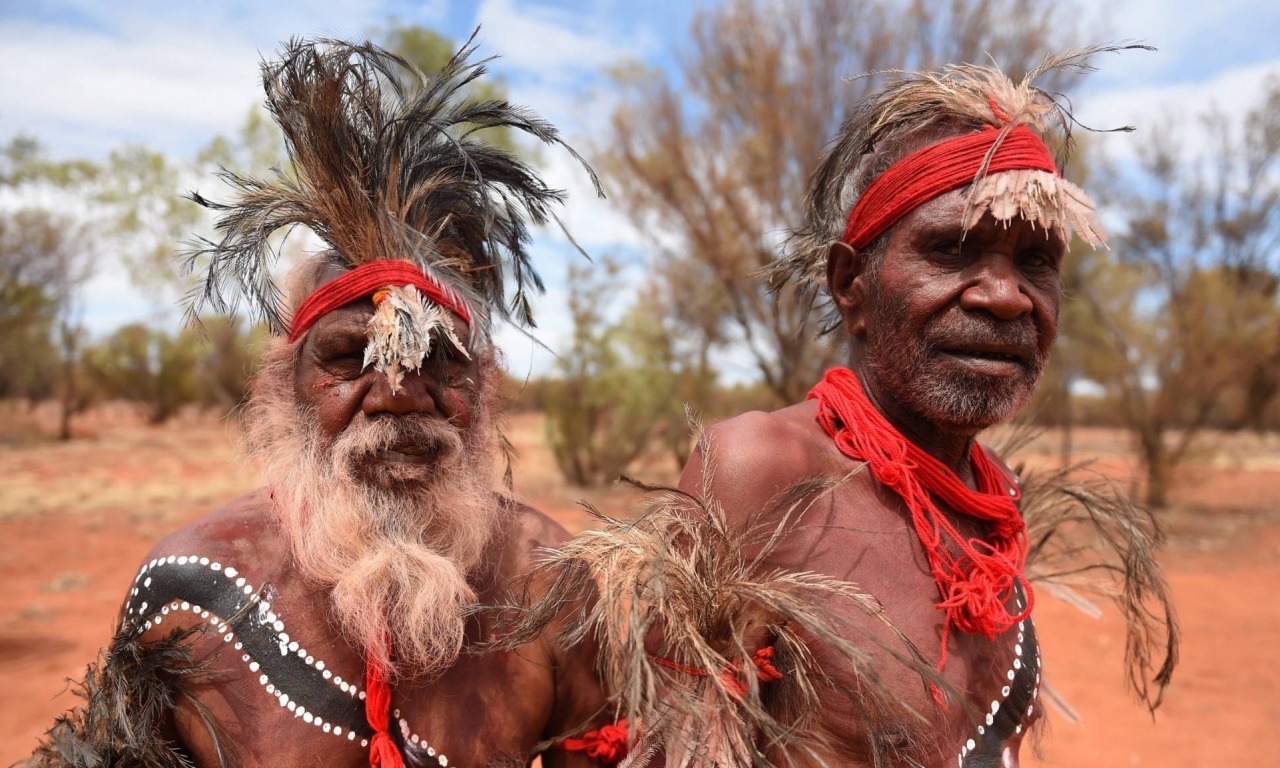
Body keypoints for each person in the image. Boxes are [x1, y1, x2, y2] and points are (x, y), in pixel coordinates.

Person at [514, 47, 1177, 767]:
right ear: (850, 285)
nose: (1005, 295)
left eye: (1036, 261)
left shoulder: (991, 499)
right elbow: (655, 741)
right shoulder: (762, 472)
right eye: (953, 249)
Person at [29, 37, 625, 768]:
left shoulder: (548, 581)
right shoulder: (190, 587)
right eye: (349, 358)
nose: (400, 393)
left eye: (440, 361)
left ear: (485, 389)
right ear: (286, 391)